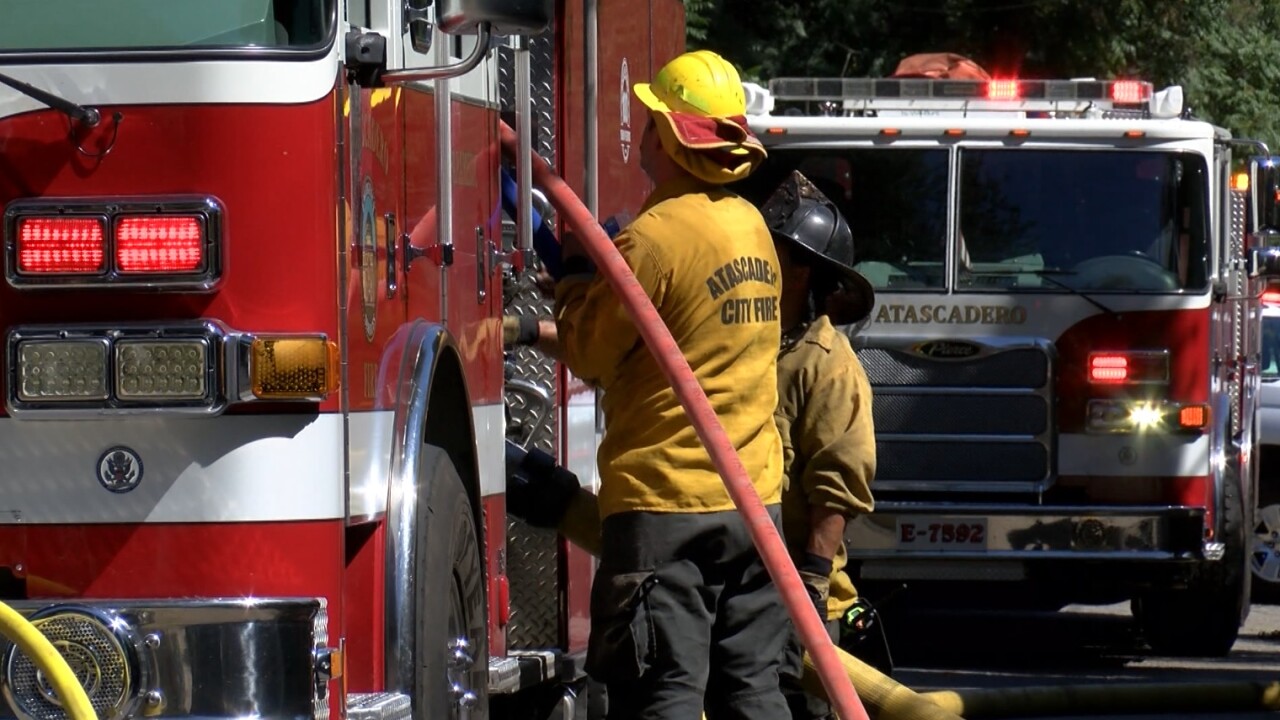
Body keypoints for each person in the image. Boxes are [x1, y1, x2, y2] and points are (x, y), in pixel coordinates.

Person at [506, 170, 881, 719]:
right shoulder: (741, 337)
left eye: (774, 253)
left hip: (793, 584)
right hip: (744, 551)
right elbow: (639, 359)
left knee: (694, 693)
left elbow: (837, 489)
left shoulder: (826, 365)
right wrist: (544, 322)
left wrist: (811, 587)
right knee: (732, 695)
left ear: (800, 271)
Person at [547, 49, 790, 719]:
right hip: (754, 504)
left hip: (665, 506)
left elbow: (590, 354)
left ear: (666, 138)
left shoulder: (651, 243)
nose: (644, 135)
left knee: (664, 693)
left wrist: (572, 283)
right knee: (753, 690)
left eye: (652, 120)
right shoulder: (754, 229)